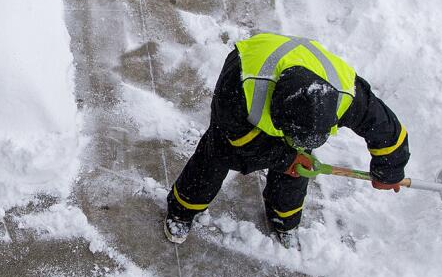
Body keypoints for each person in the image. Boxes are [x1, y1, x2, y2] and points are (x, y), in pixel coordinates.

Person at [165, 32, 410, 248]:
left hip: (301, 87)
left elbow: (388, 131)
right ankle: (182, 209)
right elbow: (237, 136)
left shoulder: (348, 96)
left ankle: (284, 219)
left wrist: (389, 170)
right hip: (251, 62)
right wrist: (284, 157)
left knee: (298, 167)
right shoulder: (242, 83)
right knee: (217, 153)